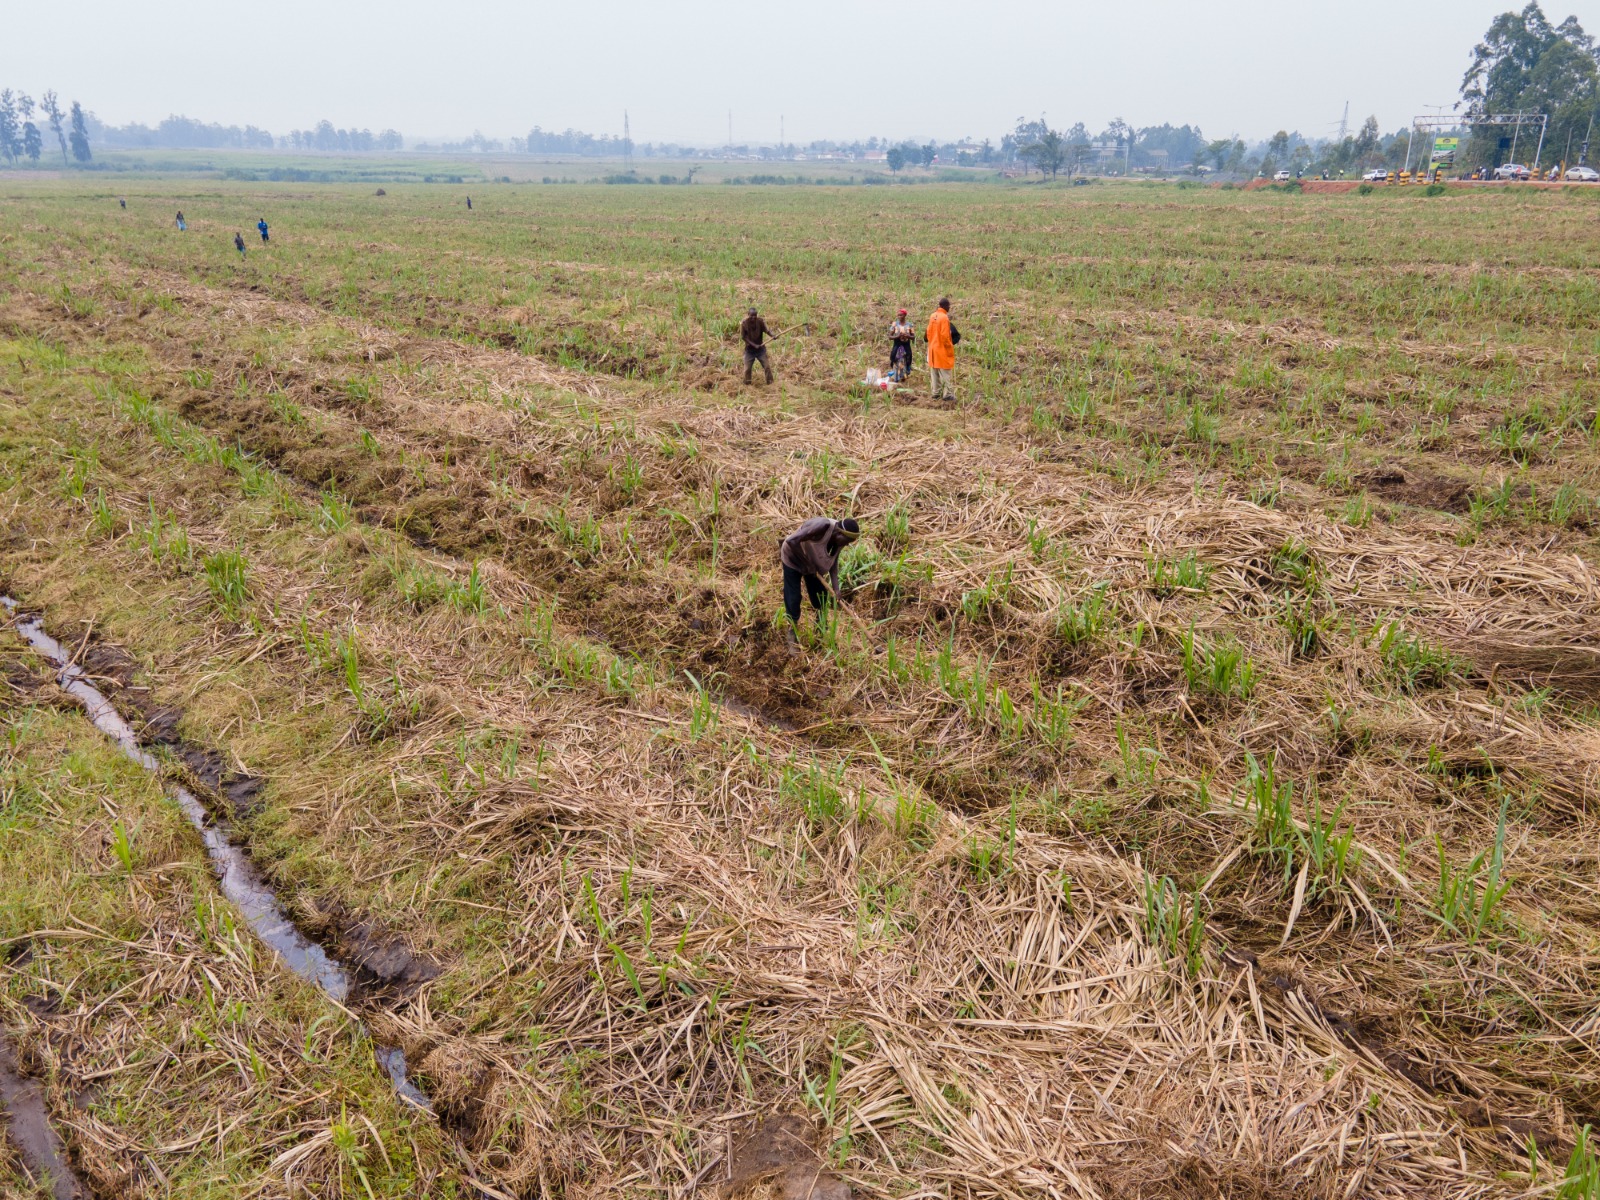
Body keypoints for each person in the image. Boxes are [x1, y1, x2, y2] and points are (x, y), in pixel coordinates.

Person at [780, 516, 860, 631]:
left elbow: (833, 562)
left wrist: (836, 589)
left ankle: (820, 626)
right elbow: (792, 541)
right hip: (793, 558)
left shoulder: (839, 541)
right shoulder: (821, 527)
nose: (847, 545)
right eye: (847, 541)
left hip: (812, 564)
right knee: (793, 597)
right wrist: (807, 565)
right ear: (840, 533)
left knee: (821, 596)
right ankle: (792, 629)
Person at [925, 296, 958, 402]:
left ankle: (935, 393)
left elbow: (928, 333)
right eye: (949, 306)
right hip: (942, 349)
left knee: (934, 372)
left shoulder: (932, 316)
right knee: (945, 373)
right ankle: (947, 394)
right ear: (945, 306)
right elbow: (945, 336)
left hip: (932, 349)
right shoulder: (944, 318)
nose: (949, 308)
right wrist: (949, 347)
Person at [740, 306, 777, 385]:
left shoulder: (760, 321)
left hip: (760, 350)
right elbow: (743, 337)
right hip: (749, 351)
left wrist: (772, 335)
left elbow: (767, 330)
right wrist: (754, 345)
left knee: (767, 367)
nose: (753, 318)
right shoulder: (744, 323)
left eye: (755, 316)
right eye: (751, 316)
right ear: (748, 315)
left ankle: (770, 384)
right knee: (747, 369)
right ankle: (747, 385)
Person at [888, 309, 913, 381]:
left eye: (901, 315)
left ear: (905, 315)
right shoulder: (895, 324)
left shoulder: (909, 325)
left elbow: (913, 337)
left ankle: (904, 376)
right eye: (898, 315)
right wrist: (897, 336)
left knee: (907, 359)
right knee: (895, 359)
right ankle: (896, 377)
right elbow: (890, 336)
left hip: (906, 345)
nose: (899, 316)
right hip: (897, 344)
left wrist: (907, 335)